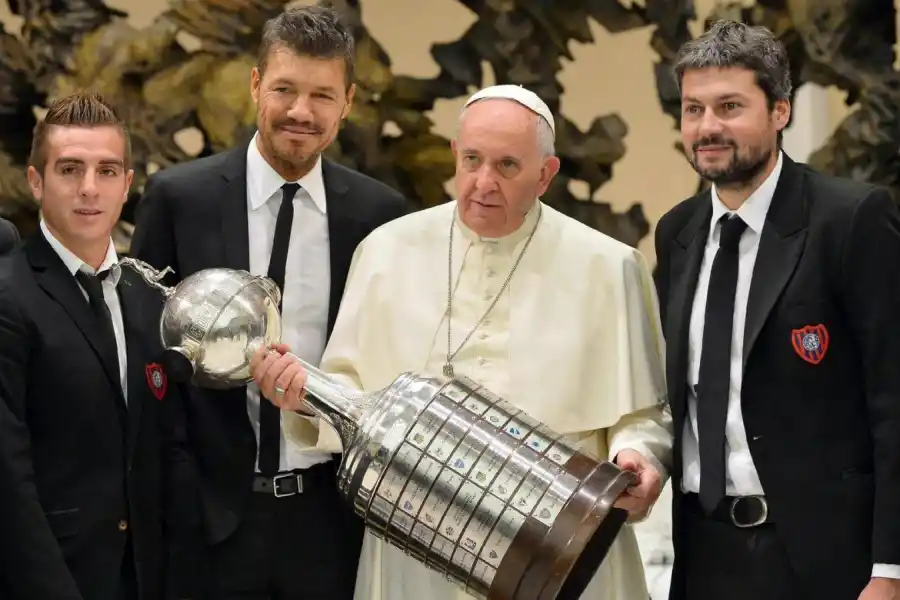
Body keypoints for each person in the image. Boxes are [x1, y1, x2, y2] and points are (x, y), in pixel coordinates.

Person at [249, 83, 674, 600]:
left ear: (546, 174)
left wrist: (638, 456)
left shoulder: (610, 267)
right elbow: (351, 392)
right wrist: (305, 396)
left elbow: (643, 413)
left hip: (557, 539)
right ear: (455, 153)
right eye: (472, 160)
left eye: (507, 166)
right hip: (414, 532)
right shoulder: (386, 252)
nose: (483, 183)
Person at [129, 6, 408, 599]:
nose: (301, 111)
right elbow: (146, 355)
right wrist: (180, 488)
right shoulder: (180, 199)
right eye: (284, 89)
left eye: (322, 95)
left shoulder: (380, 217)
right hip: (207, 526)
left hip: (330, 524)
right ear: (256, 84)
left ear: (347, 102)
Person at [654, 19, 900, 600]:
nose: (707, 128)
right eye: (693, 110)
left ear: (780, 111)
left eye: (730, 107)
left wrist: (890, 570)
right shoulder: (677, 233)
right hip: (705, 556)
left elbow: (894, 404)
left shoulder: (851, 220)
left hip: (827, 565)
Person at [0, 92, 177, 599]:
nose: (89, 188)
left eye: (107, 171)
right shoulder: (9, 295)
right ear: (36, 181)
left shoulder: (147, 297)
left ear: (127, 185)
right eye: (70, 169)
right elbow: (8, 479)